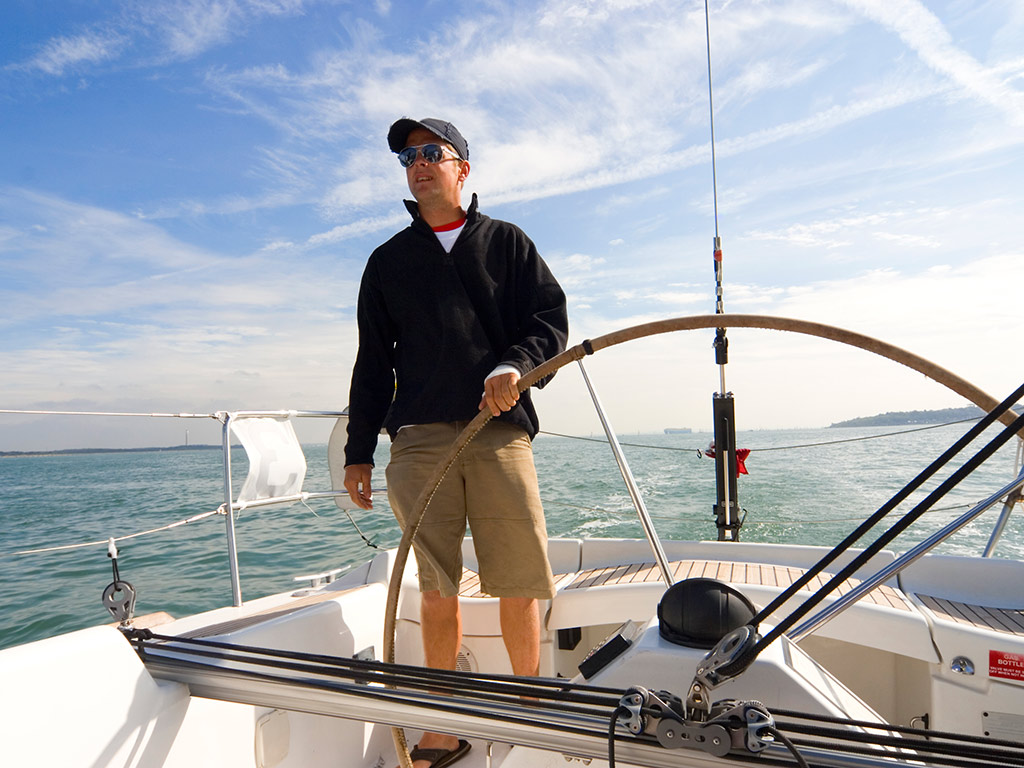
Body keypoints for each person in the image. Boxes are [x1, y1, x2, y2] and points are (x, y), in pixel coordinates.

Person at [343, 117, 568, 768]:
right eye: (408, 157)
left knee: (520, 578)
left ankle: (532, 710)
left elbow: (549, 323)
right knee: (437, 588)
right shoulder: (387, 262)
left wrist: (514, 365)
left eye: (431, 152)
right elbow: (372, 362)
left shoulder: (508, 244)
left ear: (461, 168)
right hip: (418, 440)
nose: (418, 163)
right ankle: (442, 727)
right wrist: (358, 450)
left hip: (498, 430)